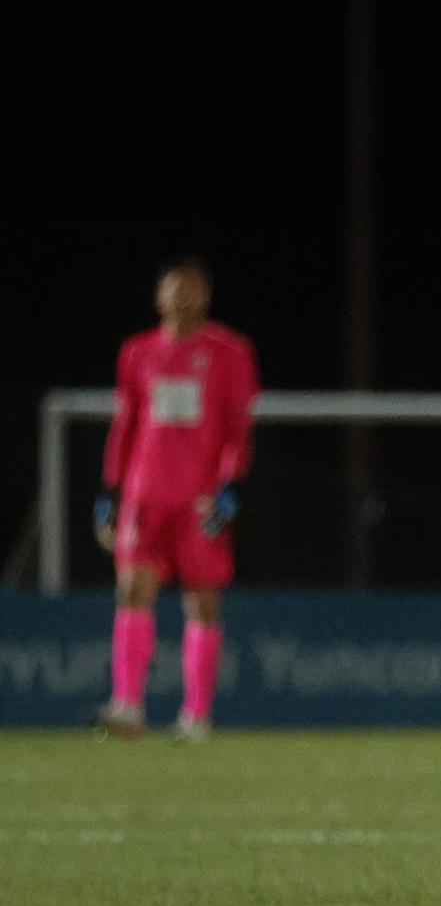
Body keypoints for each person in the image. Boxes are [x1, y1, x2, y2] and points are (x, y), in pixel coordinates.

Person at [93, 257, 261, 743]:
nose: (183, 297)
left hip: (200, 501)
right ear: (158, 297)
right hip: (145, 496)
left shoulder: (230, 352)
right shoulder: (137, 353)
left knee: (202, 603)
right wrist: (110, 490)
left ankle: (196, 714)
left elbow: (237, 428)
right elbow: (125, 425)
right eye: (174, 289)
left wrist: (231, 487)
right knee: (131, 590)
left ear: (206, 296)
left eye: (193, 289)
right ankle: (127, 705)